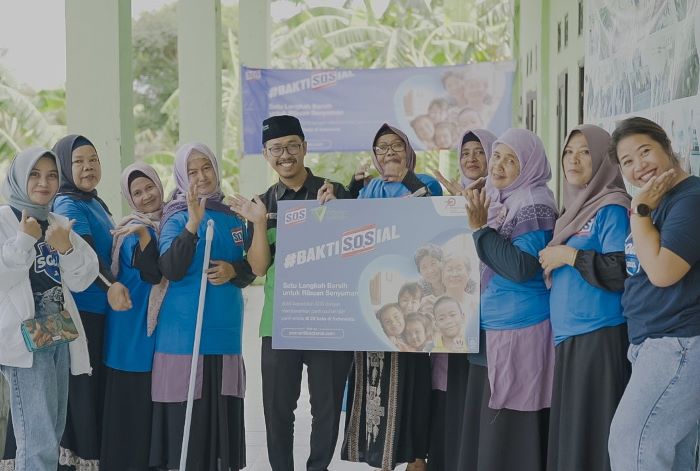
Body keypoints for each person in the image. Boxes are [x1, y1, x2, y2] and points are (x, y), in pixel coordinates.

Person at [149, 142, 269, 471]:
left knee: (220, 425)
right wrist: (192, 224)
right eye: (192, 171)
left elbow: (252, 269)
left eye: (206, 168)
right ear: (181, 177)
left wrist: (234, 270)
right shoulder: (175, 215)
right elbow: (170, 268)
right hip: (184, 337)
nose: (201, 176)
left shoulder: (233, 215)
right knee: (187, 427)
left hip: (225, 334)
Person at [252, 114, 353, 471]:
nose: (285, 155)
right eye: (276, 148)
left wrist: (338, 212)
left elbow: (354, 248)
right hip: (280, 323)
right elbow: (258, 268)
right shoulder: (262, 203)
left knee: (327, 408)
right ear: (266, 154)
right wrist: (259, 223)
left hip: (328, 319)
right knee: (277, 409)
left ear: (305, 147)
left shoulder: (334, 191)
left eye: (292, 146)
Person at [342, 123, 442, 471]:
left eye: (396, 145)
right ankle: (381, 456)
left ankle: (416, 458)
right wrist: (352, 187)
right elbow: (350, 226)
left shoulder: (424, 182)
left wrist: (408, 179)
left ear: (408, 150)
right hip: (374, 297)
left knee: (412, 376)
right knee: (375, 377)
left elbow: (436, 216)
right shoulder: (369, 189)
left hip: (411, 296)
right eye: (381, 148)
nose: (389, 153)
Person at [607, 117, 700, 470]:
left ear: (667, 147)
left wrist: (640, 213)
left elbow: (662, 272)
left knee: (631, 444)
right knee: (668, 456)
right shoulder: (659, 199)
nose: (639, 166)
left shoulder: (689, 200)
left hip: (677, 342)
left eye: (645, 151)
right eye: (628, 161)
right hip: (656, 343)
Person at [461, 128, 558, 470]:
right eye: (497, 156)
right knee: (490, 430)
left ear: (529, 165)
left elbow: (521, 267)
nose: (499, 166)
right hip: (493, 327)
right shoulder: (501, 197)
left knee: (510, 431)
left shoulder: (534, 203)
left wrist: (479, 229)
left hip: (519, 329)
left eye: (511, 160)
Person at [539, 125, 631, 471]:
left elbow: (620, 270)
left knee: (592, 440)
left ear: (605, 159)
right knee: (573, 440)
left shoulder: (611, 207)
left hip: (599, 336)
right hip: (569, 339)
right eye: (568, 152)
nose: (573, 160)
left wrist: (568, 256)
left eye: (584, 152)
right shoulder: (572, 211)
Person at [0, 148, 97, 471]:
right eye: (35, 174)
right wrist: (23, 241)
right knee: (37, 440)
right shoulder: (3, 219)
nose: (44, 182)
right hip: (25, 342)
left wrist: (66, 249)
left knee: (52, 433)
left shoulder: (56, 222)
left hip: (58, 333)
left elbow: (83, 278)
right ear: (19, 177)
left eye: (52, 175)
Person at [51, 134, 132, 469]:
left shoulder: (93, 202)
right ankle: (78, 461)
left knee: (90, 393)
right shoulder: (68, 204)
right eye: (79, 162)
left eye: (93, 159)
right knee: (82, 394)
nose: (88, 167)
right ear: (64, 167)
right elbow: (88, 258)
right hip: (82, 314)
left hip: (99, 313)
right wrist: (111, 286)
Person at [431, 129, 497, 471]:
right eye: (465, 152)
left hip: (488, 316)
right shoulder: (445, 203)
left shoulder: (502, 197)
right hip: (454, 315)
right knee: (451, 398)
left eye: (480, 151)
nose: (471, 158)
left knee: (477, 398)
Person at [100, 163, 166, 471]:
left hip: (139, 329)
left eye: (149, 187)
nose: (146, 196)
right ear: (130, 199)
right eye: (137, 193)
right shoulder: (133, 230)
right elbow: (152, 273)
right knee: (131, 411)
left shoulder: (165, 223)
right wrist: (142, 234)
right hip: (131, 330)